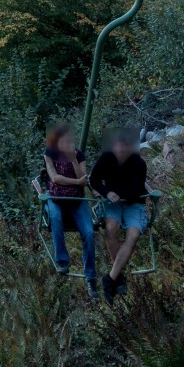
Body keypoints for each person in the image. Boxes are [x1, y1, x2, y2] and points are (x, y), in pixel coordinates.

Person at [90, 129, 149, 305]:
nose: (121, 150)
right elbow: (94, 180)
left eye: (125, 147)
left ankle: (110, 278)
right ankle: (118, 277)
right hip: (112, 202)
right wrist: (107, 192)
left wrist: (117, 193)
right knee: (111, 228)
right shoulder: (106, 158)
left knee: (133, 235)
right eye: (118, 147)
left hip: (133, 202)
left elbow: (136, 189)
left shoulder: (138, 163)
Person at [43, 122, 98, 297]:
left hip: (77, 199)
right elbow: (55, 178)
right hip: (57, 198)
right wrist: (76, 182)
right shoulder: (49, 153)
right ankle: (62, 262)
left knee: (89, 233)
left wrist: (73, 159)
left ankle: (91, 277)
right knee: (56, 219)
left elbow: (83, 176)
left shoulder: (78, 154)